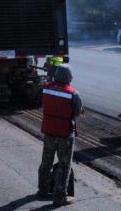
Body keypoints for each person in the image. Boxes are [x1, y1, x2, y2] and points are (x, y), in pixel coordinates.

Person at [37, 64, 83, 206]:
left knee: (46, 162)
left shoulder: (46, 88)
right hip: (65, 135)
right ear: (69, 77)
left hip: (49, 131)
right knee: (64, 165)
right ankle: (59, 197)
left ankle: (43, 190)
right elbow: (77, 112)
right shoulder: (73, 93)